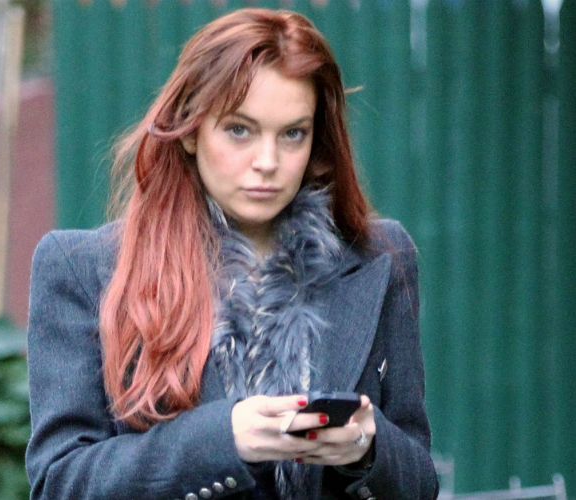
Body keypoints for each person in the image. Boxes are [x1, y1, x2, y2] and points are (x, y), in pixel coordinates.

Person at [25, 8, 438, 500]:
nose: (268, 162)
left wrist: (368, 447)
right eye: (240, 129)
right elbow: (60, 482)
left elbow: (420, 482)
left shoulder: (380, 257)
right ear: (191, 129)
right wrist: (224, 439)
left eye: (293, 133)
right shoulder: (83, 269)